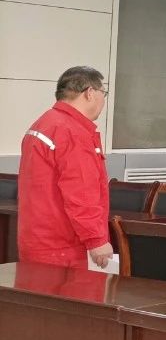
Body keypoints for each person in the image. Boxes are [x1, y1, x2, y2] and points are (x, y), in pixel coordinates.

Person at [17, 66, 112, 268]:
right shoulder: (72, 132)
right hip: (64, 248)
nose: (103, 100)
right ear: (89, 93)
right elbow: (81, 192)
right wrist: (96, 239)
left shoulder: (42, 124)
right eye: (103, 93)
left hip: (37, 241)